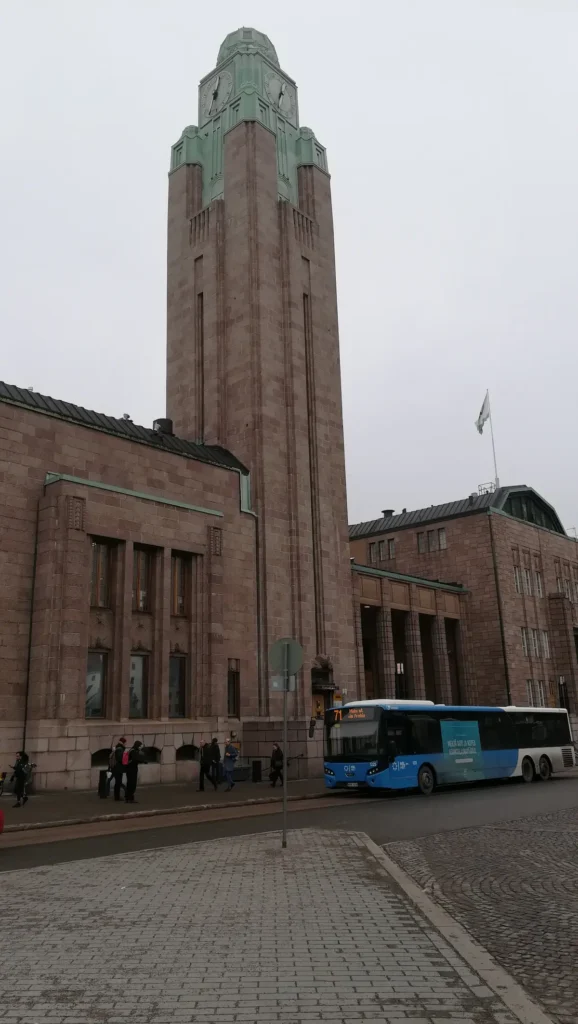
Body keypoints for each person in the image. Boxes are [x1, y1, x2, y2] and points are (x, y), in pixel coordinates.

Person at [109, 736, 127, 802]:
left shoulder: (118, 748)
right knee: (118, 783)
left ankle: (117, 796)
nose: (126, 744)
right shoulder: (120, 749)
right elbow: (120, 759)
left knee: (118, 782)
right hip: (118, 768)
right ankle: (117, 797)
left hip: (117, 768)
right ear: (123, 742)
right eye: (125, 743)